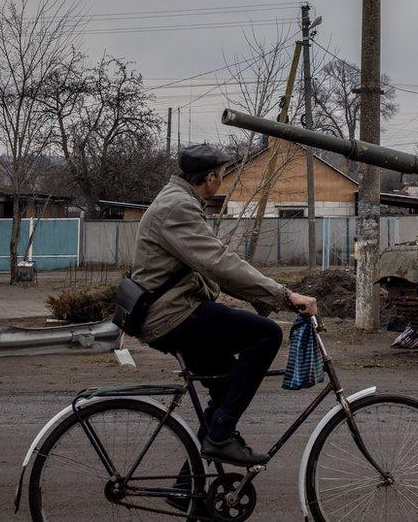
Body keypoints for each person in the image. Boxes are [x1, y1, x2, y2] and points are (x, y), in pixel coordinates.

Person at [130, 143, 317, 468]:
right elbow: (218, 263)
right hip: (172, 315)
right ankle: (220, 439)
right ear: (211, 177)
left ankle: (191, 487)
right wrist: (284, 296)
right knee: (266, 334)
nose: (223, 179)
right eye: (222, 174)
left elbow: (209, 267)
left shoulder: (179, 200)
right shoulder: (178, 208)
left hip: (172, 311)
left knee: (227, 384)